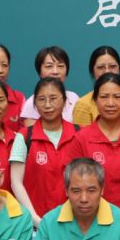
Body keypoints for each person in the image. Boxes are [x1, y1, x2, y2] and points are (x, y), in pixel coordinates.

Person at [65, 72, 120, 221]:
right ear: (95, 100)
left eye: (117, 97)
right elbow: (73, 186)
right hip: (95, 224)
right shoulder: (81, 139)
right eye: (104, 97)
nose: (111, 103)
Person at [10, 77, 78, 225]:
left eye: (53, 98)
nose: (47, 105)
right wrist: (36, 219)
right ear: (34, 104)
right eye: (41, 99)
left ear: (65, 101)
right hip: (35, 225)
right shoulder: (24, 137)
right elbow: (16, 182)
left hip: (74, 223)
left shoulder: (79, 134)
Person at [72, 45, 120, 126]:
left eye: (112, 66)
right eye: (100, 67)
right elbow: (81, 134)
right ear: (92, 71)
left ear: (119, 69)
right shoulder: (83, 105)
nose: (107, 71)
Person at [21, 45, 81, 124]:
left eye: (60, 66)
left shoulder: (74, 98)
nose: (55, 71)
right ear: (39, 72)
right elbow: (31, 131)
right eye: (49, 66)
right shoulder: (31, 103)